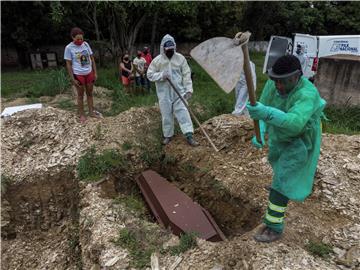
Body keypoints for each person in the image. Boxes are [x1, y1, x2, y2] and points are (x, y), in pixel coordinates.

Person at [246, 55, 326, 243]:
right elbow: (263, 106)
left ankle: (274, 226)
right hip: (280, 134)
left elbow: (296, 123)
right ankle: (281, 185)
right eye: (276, 81)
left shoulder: (307, 93)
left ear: (297, 76)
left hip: (300, 139)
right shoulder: (274, 84)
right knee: (278, 162)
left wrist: (266, 113)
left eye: (284, 82)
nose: (278, 86)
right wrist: (262, 129)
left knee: (283, 178)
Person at [147, 34, 198, 146]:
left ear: (174, 47)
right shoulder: (157, 61)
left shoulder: (180, 59)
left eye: (171, 49)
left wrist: (189, 89)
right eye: (167, 49)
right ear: (163, 48)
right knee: (166, 115)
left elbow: (186, 74)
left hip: (179, 92)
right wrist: (161, 75)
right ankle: (168, 136)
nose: (170, 51)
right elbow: (149, 75)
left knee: (183, 113)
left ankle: (189, 135)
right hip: (164, 94)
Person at [64, 27, 99, 123]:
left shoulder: (86, 45)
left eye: (81, 39)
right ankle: (82, 114)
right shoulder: (68, 48)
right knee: (80, 95)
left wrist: (95, 72)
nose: (80, 41)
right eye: (77, 39)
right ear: (72, 37)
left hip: (89, 73)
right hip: (78, 74)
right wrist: (72, 78)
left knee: (90, 93)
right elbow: (68, 64)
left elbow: (92, 59)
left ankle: (91, 112)